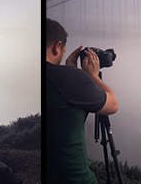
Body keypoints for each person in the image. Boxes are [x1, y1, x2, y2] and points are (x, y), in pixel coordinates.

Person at [44, 18, 119, 184]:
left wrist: (71, 69)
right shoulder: (72, 79)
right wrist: (92, 76)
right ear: (57, 47)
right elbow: (113, 104)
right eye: (63, 50)